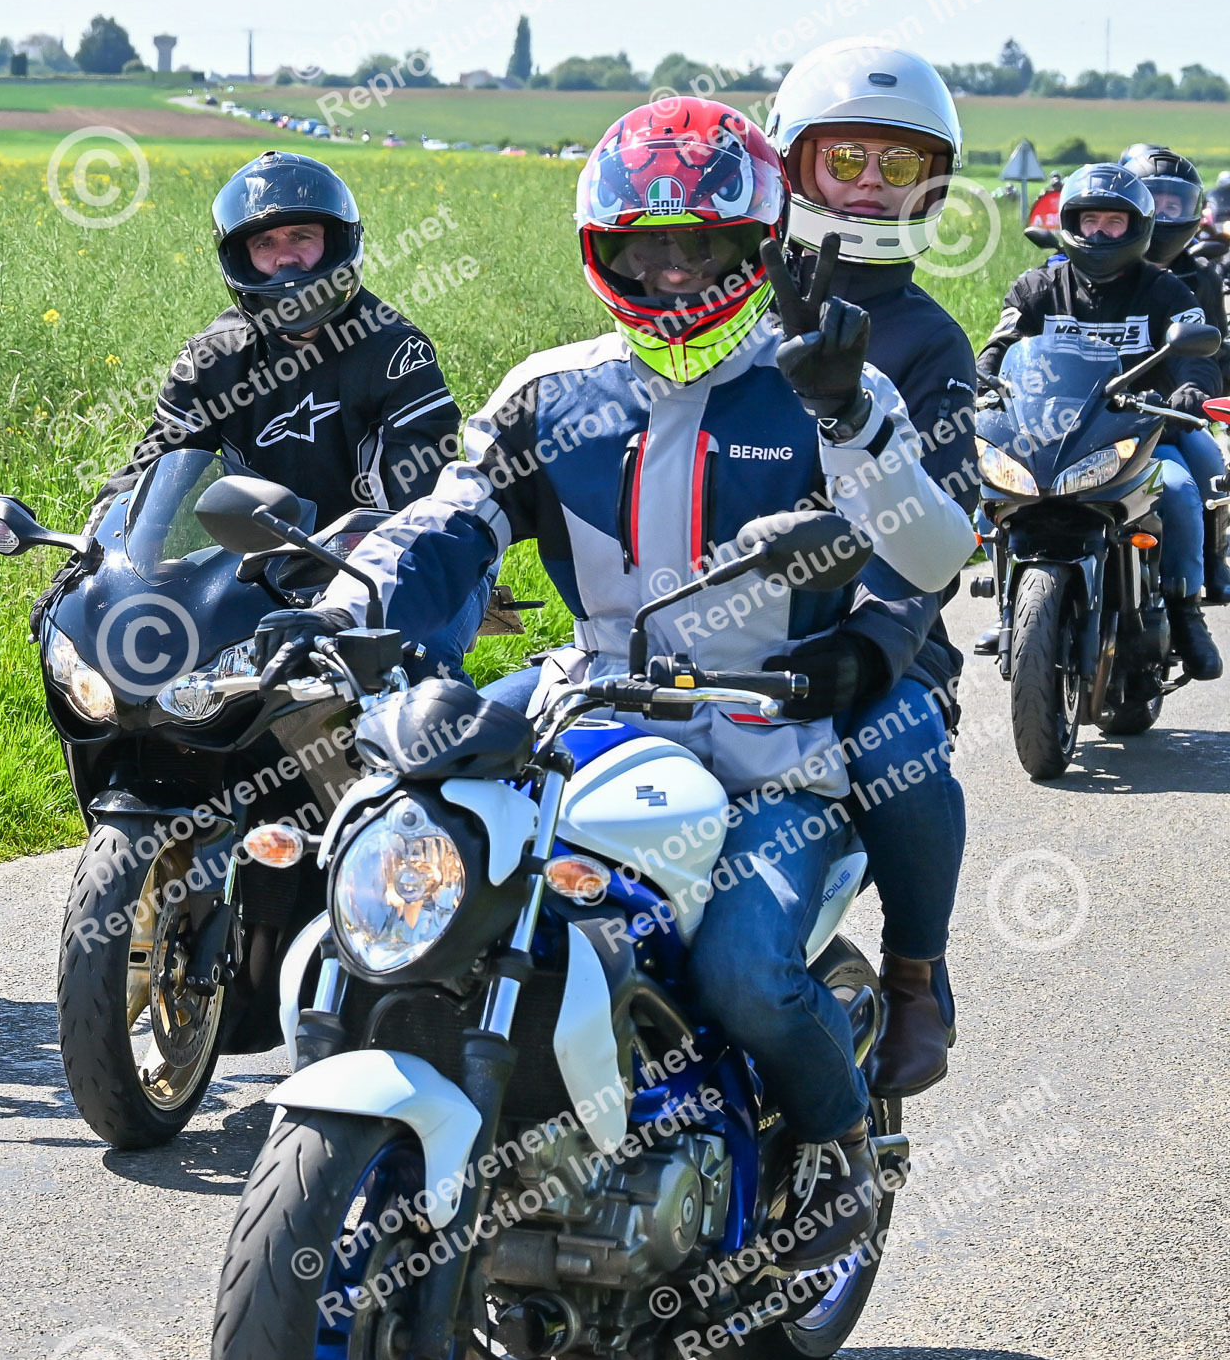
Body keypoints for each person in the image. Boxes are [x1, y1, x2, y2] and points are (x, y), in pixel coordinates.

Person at [267, 99, 976, 1268]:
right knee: (407, 844)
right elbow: (449, 521)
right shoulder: (550, 391)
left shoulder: (827, 383)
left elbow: (933, 553)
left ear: (756, 243)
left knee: (746, 978)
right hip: (589, 708)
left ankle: (840, 1151)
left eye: (697, 242)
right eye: (643, 246)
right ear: (602, 250)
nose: (669, 269)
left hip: (768, 739)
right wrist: (341, 607)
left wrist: (850, 417)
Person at [36, 149, 486, 655]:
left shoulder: (395, 352)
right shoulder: (212, 360)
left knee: (418, 656)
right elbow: (151, 469)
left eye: (302, 237)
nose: (285, 258)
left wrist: (360, 583)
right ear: (240, 258)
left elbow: (426, 505)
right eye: (264, 243)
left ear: (337, 242)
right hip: (258, 567)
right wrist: (89, 570)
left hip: (385, 561)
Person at [766, 39, 975, 1101]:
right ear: (792, 161)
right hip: (722, 629)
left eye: (898, 165)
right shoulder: (722, 307)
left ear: (929, 186)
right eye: (845, 156)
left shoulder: (930, 342)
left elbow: (939, 523)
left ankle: (914, 975)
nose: (868, 184)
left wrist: (876, 640)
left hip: (874, 640)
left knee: (897, 745)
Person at [975, 163, 1223, 680]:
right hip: (1047, 434)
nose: (1100, 233)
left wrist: (1191, 391)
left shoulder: (1166, 291)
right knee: (988, 484)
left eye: (1114, 222)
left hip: (1139, 432)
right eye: (1090, 221)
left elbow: (1195, 353)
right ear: (1071, 223)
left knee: (1179, 491)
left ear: (1138, 228)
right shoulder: (1036, 287)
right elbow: (999, 346)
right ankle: (1007, 603)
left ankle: (1185, 610)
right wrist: (980, 381)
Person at [1120, 145, 1230, 601]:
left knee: (1207, 467)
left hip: (1167, 414)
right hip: (1087, 413)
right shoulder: (1078, 274)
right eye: (1154, 201)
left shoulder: (1198, 277)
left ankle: (1208, 566)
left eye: (1174, 203)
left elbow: (1214, 349)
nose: (1164, 214)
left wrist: (1198, 393)